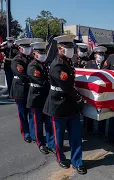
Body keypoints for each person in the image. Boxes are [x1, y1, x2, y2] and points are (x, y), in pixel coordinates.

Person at [43, 35, 87, 175]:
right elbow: (67, 87)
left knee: (76, 136)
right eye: (68, 48)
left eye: (71, 48)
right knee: (59, 136)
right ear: (59, 48)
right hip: (58, 105)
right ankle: (60, 157)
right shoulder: (57, 65)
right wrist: (80, 98)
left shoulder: (68, 62)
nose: (71, 50)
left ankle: (77, 162)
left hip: (70, 105)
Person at [27, 42, 53, 155]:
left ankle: (51, 143)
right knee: (37, 123)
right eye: (40, 52)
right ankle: (40, 143)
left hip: (45, 97)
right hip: (36, 97)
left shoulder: (44, 64)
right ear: (34, 53)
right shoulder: (33, 66)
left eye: (44, 52)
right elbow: (41, 82)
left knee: (48, 122)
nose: (43, 54)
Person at [10, 38, 37, 143]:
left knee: (31, 112)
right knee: (23, 113)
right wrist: (35, 79)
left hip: (30, 88)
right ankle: (26, 133)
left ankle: (33, 133)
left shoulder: (30, 59)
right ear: (20, 48)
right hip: (20, 89)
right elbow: (21, 74)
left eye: (28, 47)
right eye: (25, 47)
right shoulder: (17, 60)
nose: (28, 49)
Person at [83, 46, 108, 136]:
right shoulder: (89, 64)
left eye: (102, 54)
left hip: (102, 93)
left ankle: (101, 131)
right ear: (95, 55)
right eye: (99, 54)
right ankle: (88, 128)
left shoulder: (106, 65)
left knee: (102, 112)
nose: (101, 56)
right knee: (90, 111)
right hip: (91, 92)